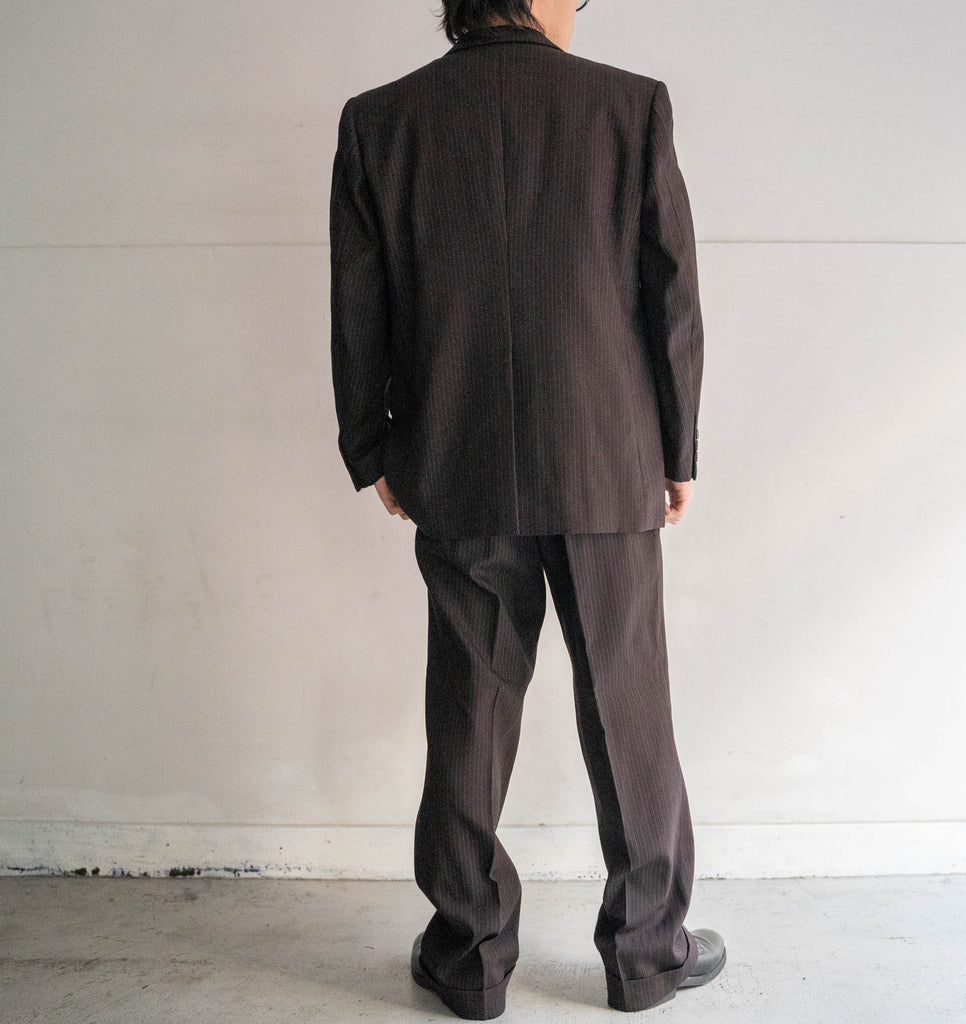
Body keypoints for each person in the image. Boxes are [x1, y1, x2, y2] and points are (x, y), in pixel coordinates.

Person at [329, 0, 725, 1016]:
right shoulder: (628, 108)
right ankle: (647, 951)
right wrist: (676, 446)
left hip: (457, 459)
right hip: (605, 457)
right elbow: (671, 293)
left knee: (471, 707)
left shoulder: (382, 120)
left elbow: (360, 303)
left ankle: (467, 957)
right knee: (627, 704)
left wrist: (372, 445)